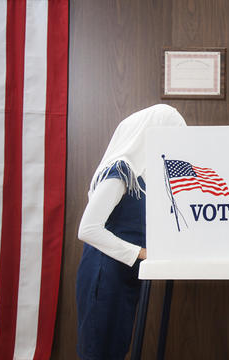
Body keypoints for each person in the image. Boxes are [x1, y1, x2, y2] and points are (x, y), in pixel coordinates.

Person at [75, 104, 186, 360]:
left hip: (123, 274)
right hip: (103, 276)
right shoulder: (120, 171)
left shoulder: (140, 176)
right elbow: (88, 229)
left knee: (115, 347)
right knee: (99, 350)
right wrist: (141, 252)